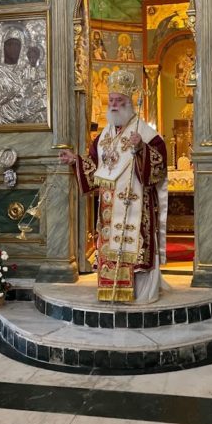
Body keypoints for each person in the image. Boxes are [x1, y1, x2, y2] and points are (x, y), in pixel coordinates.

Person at [60, 70, 168, 303]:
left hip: (135, 203)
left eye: (119, 100)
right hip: (109, 206)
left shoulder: (146, 133)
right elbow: (94, 163)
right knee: (109, 244)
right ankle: (111, 290)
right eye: (111, 100)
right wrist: (75, 160)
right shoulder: (104, 136)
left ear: (129, 103)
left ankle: (140, 292)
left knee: (134, 247)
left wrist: (141, 149)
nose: (114, 105)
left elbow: (159, 166)